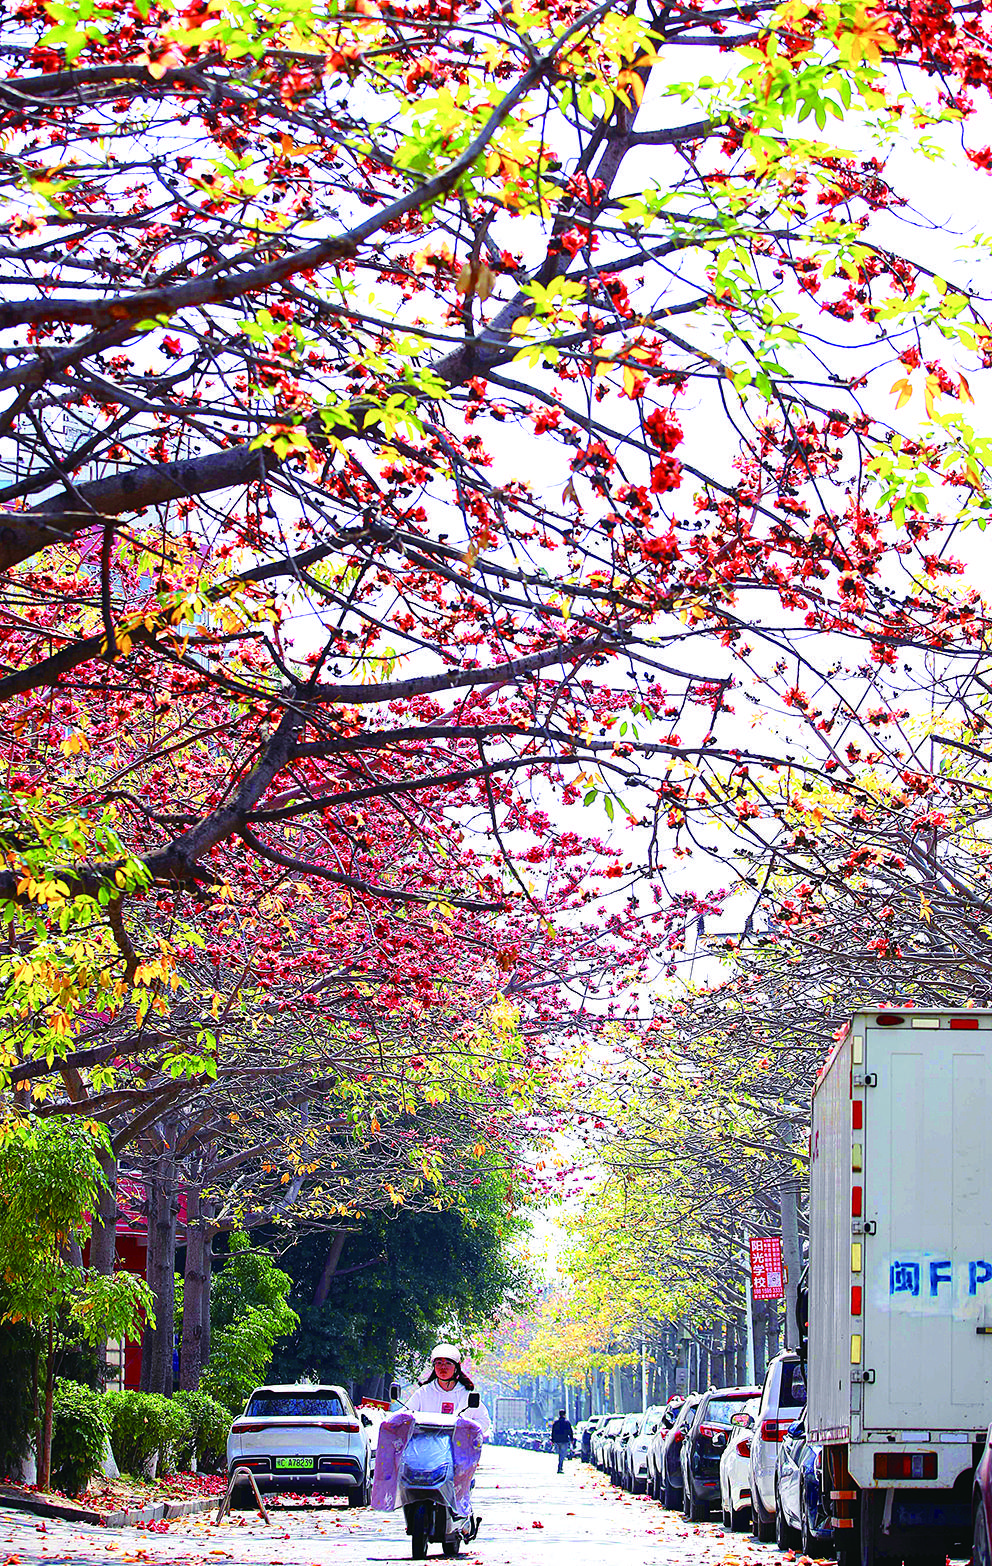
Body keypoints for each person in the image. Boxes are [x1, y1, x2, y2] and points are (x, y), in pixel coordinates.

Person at [403, 1344, 492, 1434]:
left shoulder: (466, 1395)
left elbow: (484, 1421)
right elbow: (404, 1415)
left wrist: (466, 1431)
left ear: (456, 1367)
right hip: (425, 1447)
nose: (443, 1367)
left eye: (448, 1363)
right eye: (439, 1363)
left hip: (457, 1447)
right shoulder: (423, 1392)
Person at [550, 1409, 574, 1473]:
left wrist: (552, 1440)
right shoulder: (567, 1422)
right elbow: (570, 1431)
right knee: (562, 1454)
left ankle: (560, 1465)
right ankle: (560, 1467)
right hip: (564, 1440)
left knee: (559, 1453)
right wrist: (571, 1439)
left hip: (557, 1441)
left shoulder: (556, 1422)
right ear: (564, 1415)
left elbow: (553, 1432)